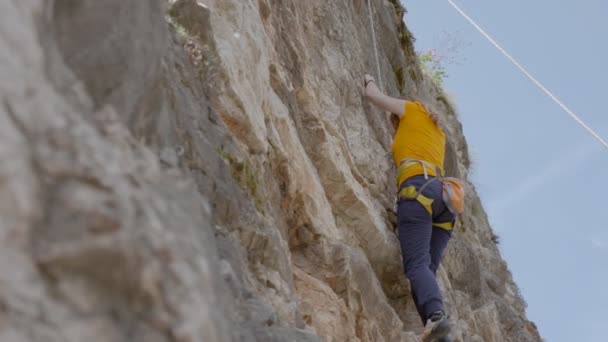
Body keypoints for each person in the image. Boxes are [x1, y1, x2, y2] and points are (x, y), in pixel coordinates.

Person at [364, 74, 455, 342]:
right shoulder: (438, 132)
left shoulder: (413, 109)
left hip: (418, 190)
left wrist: (370, 80)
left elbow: (374, 97)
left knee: (416, 266)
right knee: (424, 270)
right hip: (445, 200)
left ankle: (436, 319)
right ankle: (436, 331)